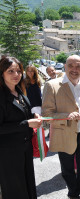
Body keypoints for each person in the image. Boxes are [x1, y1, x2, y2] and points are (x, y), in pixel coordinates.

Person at [42, 55, 80, 199]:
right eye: (71, 65)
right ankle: (73, 192)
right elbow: (46, 114)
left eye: (78, 66)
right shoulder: (52, 85)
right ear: (65, 67)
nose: (74, 69)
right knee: (67, 169)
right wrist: (66, 116)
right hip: (64, 132)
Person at [0, 56, 42, 199]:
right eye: (10, 71)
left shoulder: (20, 93)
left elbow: (24, 116)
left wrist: (33, 118)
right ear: (2, 73)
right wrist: (26, 124)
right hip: (7, 153)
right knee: (15, 190)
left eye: (18, 71)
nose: (16, 75)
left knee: (28, 185)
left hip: (24, 149)